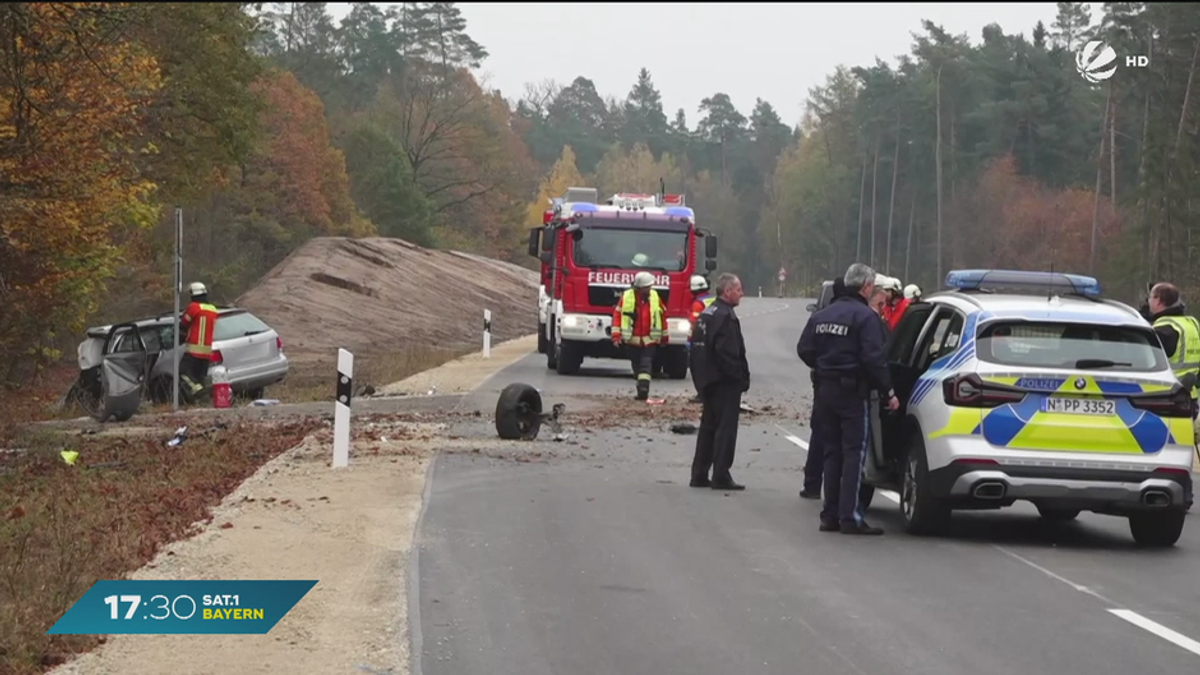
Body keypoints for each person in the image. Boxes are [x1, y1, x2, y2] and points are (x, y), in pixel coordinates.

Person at [797, 263, 898, 535]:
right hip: (852, 393)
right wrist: (888, 392)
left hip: (825, 390)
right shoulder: (865, 318)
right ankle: (849, 516)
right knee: (854, 454)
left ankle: (829, 515)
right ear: (866, 287)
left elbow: (804, 349)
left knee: (832, 453)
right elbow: (874, 360)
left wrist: (824, 366)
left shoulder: (822, 315)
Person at [690, 273, 750, 491]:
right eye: (738, 290)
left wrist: (700, 380)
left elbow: (695, 347)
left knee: (708, 428)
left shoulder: (707, 312)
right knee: (725, 429)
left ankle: (699, 473)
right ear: (728, 291)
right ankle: (721, 475)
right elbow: (728, 352)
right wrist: (740, 377)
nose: (741, 294)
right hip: (724, 382)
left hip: (707, 380)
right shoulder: (725, 316)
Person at [799, 277, 846, 499]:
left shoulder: (818, 317)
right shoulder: (861, 317)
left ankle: (812, 484)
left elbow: (804, 348)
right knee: (842, 443)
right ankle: (837, 492)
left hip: (823, 381)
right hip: (849, 387)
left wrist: (819, 364)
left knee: (819, 434)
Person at [1146, 282, 1200, 418]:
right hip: (1191, 396)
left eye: (1151, 297)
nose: (1148, 301)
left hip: (1166, 397)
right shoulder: (1192, 323)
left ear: (1159, 301)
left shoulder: (1163, 329)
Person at [611, 271, 667, 401]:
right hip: (632, 340)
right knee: (637, 366)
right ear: (639, 287)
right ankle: (640, 386)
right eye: (647, 287)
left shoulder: (654, 297)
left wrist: (664, 337)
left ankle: (643, 389)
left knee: (645, 364)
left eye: (650, 287)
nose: (649, 289)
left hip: (649, 340)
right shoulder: (627, 297)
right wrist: (616, 336)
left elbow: (662, 316)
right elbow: (617, 316)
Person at [178, 282, 220, 401]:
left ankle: (199, 391)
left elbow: (183, 324)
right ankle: (201, 398)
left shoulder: (194, 307)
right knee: (199, 376)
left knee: (183, 373)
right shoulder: (213, 309)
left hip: (193, 349)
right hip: (207, 351)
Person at [687, 275, 716, 402]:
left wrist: (690, 341)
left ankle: (702, 394)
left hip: (700, 342)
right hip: (712, 340)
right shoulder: (713, 299)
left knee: (698, 369)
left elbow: (694, 323)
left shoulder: (698, 304)